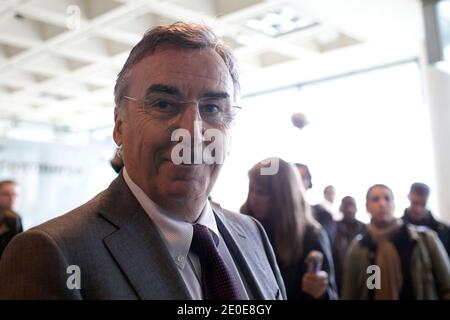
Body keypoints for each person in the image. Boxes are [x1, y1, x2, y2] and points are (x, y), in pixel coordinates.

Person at [0, 23, 286, 300]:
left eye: (212, 108)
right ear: (119, 125)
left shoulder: (252, 235)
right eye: (163, 104)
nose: (192, 134)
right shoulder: (52, 254)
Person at [240, 158, 338, 300]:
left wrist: (320, 291)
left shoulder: (312, 236)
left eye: (261, 192)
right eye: (252, 189)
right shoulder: (243, 229)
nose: (253, 198)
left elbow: (331, 295)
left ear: (282, 196)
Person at [342, 184, 450, 300]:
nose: (382, 204)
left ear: (393, 205)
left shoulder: (423, 239)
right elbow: (350, 293)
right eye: (375, 199)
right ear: (367, 207)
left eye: (387, 198)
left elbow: (446, 286)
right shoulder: (359, 247)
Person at [402, 182, 450, 257]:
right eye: (415, 203)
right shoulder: (397, 230)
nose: (418, 209)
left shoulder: (445, 230)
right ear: (408, 197)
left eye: (423, 203)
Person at [333, 196, 366, 293]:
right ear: (341, 208)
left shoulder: (364, 228)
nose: (350, 210)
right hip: (339, 276)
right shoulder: (334, 227)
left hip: (361, 274)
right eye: (346, 206)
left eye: (352, 206)